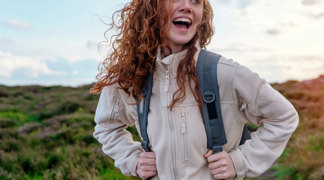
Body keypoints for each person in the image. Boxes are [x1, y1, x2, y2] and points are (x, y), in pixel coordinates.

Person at [91, 0, 299, 179]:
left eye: (195, 1)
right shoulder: (131, 77)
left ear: (202, 15)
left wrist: (239, 161)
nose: (187, 7)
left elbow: (284, 117)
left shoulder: (225, 73)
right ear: (151, 7)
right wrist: (133, 159)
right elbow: (106, 127)